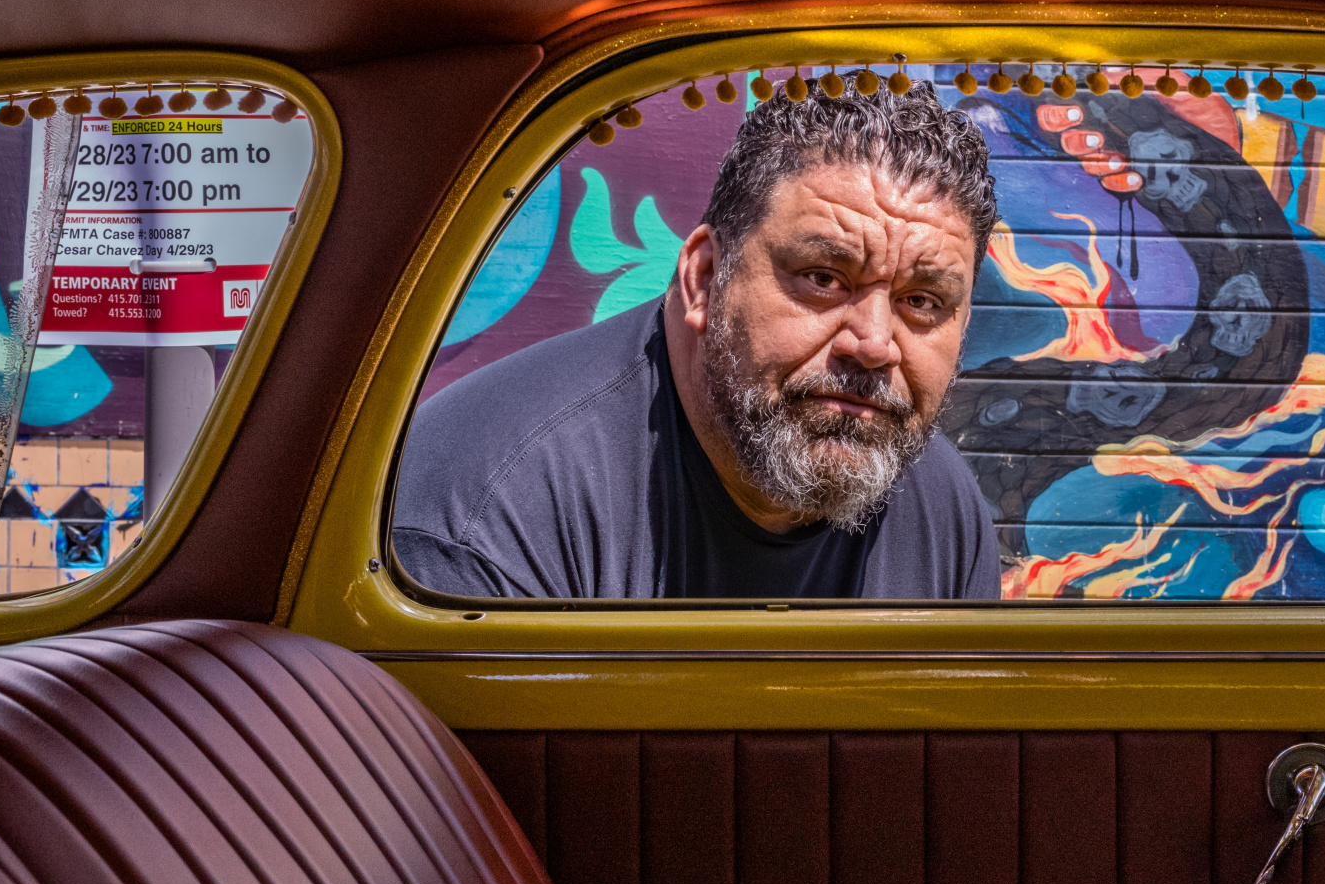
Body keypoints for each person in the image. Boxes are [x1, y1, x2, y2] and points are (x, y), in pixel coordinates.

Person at [394, 84, 999, 600]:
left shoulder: (940, 509)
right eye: (823, 278)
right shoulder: (491, 513)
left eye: (922, 301)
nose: (873, 344)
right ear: (706, 277)